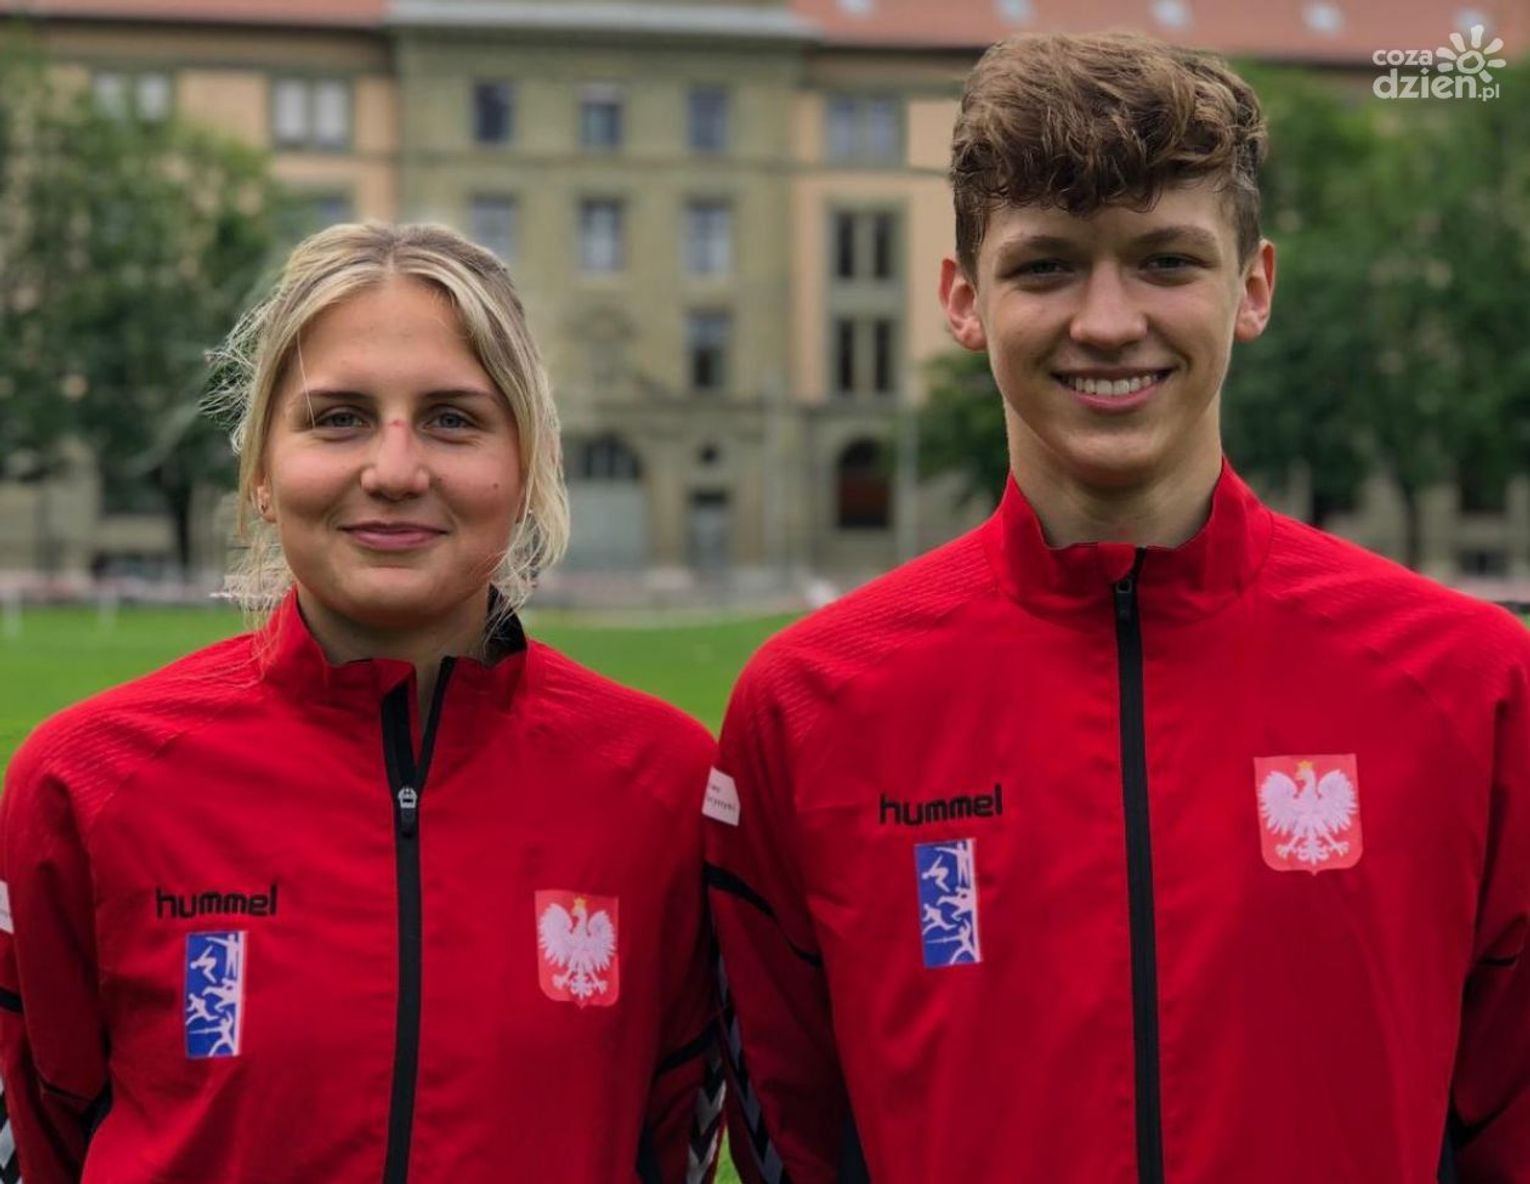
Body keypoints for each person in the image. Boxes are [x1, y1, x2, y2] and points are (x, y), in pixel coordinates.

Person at [704, 31, 1529, 1184]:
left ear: (1253, 287)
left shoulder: (1474, 684)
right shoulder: (809, 706)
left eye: (1165, 261)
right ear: (963, 300)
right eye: (1046, 266)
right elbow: (790, 1137)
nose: (1105, 320)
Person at [0, 223, 723, 1183]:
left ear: (528, 466)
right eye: (337, 418)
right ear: (262, 471)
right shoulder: (86, 783)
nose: (394, 470)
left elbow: (672, 1140)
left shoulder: (664, 786)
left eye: (452, 420)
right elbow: (44, 1136)